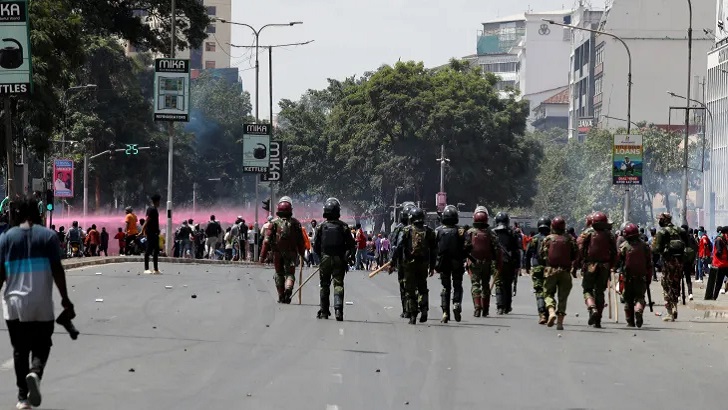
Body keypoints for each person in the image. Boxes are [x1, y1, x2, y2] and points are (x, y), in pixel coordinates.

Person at [0, 196, 74, 409]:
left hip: (13, 305)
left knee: (19, 351)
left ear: (16, 215)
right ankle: (36, 372)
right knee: (42, 345)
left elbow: (0, 273)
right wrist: (65, 300)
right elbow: (57, 271)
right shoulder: (49, 237)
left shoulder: (5, 238)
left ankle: (23, 398)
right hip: (41, 305)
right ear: (38, 214)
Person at [391, 207, 436, 324]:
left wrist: (392, 262)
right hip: (423, 264)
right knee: (422, 287)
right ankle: (424, 309)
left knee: (410, 290)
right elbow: (434, 250)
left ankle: (413, 315)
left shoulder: (406, 230)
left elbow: (399, 246)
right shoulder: (429, 231)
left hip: (409, 264)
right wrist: (432, 266)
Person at [314, 198, 356, 321]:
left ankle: (324, 311)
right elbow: (351, 245)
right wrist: (349, 256)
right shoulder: (344, 227)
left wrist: (321, 257)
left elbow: (316, 246)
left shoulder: (321, 227)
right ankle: (338, 310)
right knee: (338, 284)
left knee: (324, 285)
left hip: (325, 258)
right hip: (339, 259)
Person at [260, 197, 306, 303]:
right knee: (290, 274)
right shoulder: (296, 224)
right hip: (291, 253)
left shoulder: (274, 223)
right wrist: (302, 254)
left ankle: (281, 295)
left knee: (278, 274)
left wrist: (262, 256)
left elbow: (266, 241)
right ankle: (289, 289)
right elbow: (301, 242)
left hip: (277, 254)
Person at [577, 211, 616, 328]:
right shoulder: (610, 235)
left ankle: (592, 307)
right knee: (600, 291)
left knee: (587, 289)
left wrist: (580, 262)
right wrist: (612, 266)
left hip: (590, 266)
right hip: (605, 267)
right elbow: (614, 253)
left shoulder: (587, 233)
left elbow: (580, 248)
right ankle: (598, 319)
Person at [539, 216, 577, 330]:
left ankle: (551, 312)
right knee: (563, 297)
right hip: (565, 272)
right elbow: (575, 254)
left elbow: (541, 254)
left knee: (548, 293)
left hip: (551, 271)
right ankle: (560, 323)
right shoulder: (569, 239)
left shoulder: (548, 239)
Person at [464, 206, 501, 318]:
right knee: (485, 285)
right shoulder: (491, 233)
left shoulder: (470, 232)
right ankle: (485, 309)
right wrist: (497, 262)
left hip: (474, 263)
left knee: (475, 285)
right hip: (487, 263)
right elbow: (497, 249)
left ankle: (477, 307)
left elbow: (465, 248)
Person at [651, 213, 685, 321]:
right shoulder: (680, 230)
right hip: (679, 262)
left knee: (666, 286)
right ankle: (675, 306)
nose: (659, 221)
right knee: (675, 284)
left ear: (665, 220)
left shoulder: (662, 232)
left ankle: (670, 312)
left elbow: (656, 249)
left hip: (668, 262)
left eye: (660, 219)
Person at [617, 223, 652, 328]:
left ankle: (630, 322)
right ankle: (639, 310)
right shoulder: (645, 246)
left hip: (627, 278)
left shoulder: (624, 246)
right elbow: (649, 263)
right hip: (641, 277)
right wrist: (649, 278)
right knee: (640, 297)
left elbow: (619, 260)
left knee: (627, 299)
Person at [434, 205, 466, 323]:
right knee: (457, 285)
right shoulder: (461, 231)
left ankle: (445, 312)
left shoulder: (438, 231)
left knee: (445, 287)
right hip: (457, 262)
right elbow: (467, 246)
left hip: (443, 263)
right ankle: (456, 303)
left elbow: (433, 248)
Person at [389, 203, 415, 318]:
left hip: (403, 261)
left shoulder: (399, 229)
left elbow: (395, 246)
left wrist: (392, 261)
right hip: (417, 262)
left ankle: (406, 309)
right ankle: (413, 307)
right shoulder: (421, 228)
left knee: (404, 285)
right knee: (415, 286)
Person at [493, 212, 521, 315]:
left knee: (499, 284)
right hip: (510, 262)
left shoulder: (493, 233)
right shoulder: (513, 233)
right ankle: (507, 306)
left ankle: (500, 306)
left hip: (497, 262)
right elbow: (516, 250)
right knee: (508, 284)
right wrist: (517, 265)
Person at [526, 217, 551, 324]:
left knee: (539, 291)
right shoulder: (552, 239)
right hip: (550, 269)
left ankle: (542, 314)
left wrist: (527, 266)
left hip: (537, 268)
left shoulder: (534, 239)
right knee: (549, 291)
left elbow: (527, 254)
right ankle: (549, 311)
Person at [142, 194, 161, 274]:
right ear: (156, 201)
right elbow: (147, 220)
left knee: (156, 250)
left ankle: (156, 269)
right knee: (148, 250)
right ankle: (146, 269)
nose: (160, 203)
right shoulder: (152, 209)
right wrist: (142, 230)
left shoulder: (154, 209)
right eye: (159, 201)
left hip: (155, 232)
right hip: (151, 232)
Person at [680, 224, 697, 301]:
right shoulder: (691, 237)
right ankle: (690, 293)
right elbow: (696, 248)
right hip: (688, 260)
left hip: (680, 260)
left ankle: (678, 294)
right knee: (688, 277)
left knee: (678, 278)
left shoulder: (679, 237)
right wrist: (693, 259)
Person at [710, 226, 728, 299]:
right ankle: (714, 297)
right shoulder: (719, 239)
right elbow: (718, 252)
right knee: (718, 282)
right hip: (720, 264)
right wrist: (723, 256)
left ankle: (714, 297)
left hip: (724, 263)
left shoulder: (723, 239)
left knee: (719, 282)